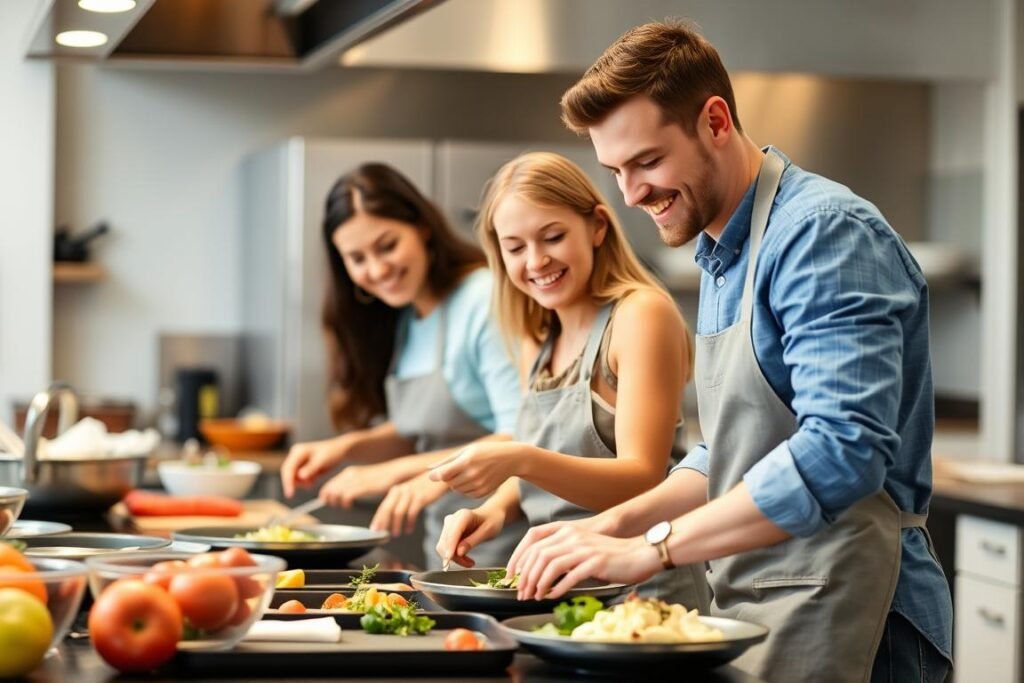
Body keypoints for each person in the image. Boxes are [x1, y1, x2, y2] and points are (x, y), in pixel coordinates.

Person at [504, 21, 953, 683]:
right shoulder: (721, 256)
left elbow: (843, 448)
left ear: (715, 120)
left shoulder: (822, 234)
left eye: (647, 161)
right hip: (766, 602)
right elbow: (733, 448)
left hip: (862, 611)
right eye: (616, 171)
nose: (630, 194)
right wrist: (613, 525)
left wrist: (654, 548)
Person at [431, 151, 709, 610]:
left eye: (553, 237)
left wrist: (519, 458)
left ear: (598, 226)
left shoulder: (640, 315)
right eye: (515, 247)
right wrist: (492, 511)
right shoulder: (536, 337)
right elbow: (542, 480)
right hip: (556, 591)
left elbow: (641, 478)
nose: (536, 261)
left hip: (641, 595)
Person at [279, 162, 526, 569]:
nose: (376, 270)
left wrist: (388, 472)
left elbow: (520, 438)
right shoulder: (411, 316)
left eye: (387, 245)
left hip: (507, 547)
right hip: (448, 549)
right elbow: (424, 431)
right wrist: (345, 448)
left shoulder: (482, 300)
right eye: (357, 258)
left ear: (422, 228)